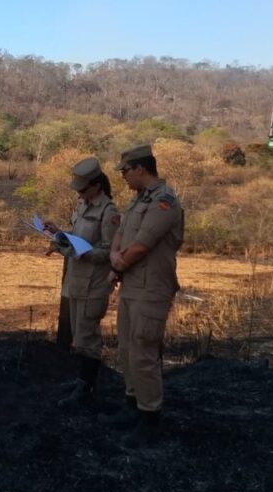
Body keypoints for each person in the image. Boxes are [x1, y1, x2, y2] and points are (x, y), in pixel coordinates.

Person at [100, 144, 185, 447]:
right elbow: (123, 235)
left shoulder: (165, 202)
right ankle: (132, 404)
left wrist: (120, 261)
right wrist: (114, 255)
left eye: (125, 170)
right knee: (126, 348)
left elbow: (142, 244)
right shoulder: (138, 201)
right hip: (132, 285)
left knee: (143, 350)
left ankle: (150, 416)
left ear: (140, 169)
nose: (122, 176)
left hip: (152, 289)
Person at [44, 157, 119, 411]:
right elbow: (78, 238)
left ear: (97, 186)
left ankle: (86, 388)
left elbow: (111, 252)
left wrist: (83, 252)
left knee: (88, 340)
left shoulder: (109, 213)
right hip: (75, 282)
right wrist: (59, 234)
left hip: (93, 286)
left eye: (83, 189)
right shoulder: (81, 205)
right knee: (79, 338)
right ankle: (82, 382)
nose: (79, 193)